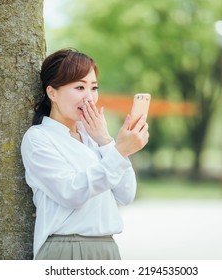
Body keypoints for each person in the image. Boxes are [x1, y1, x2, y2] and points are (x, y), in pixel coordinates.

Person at [20, 48, 149, 260]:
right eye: (80, 87)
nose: (89, 98)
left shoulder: (94, 138)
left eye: (94, 88)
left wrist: (106, 141)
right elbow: (72, 192)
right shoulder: (39, 138)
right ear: (52, 93)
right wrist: (121, 151)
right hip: (67, 249)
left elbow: (126, 194)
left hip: (107, 248)